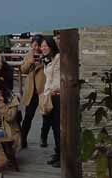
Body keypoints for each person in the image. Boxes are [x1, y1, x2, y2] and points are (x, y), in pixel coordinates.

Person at [19, 35, 49, 149]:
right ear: (31, 44)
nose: (36, 48)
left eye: (39, 45)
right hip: (31, 91)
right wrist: (30, 62)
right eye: (34, 45)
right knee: (28, 116)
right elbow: (23, 70)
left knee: (46, 116)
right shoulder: (29, 55)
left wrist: (43, 60)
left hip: (42, 90)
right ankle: (23, 139)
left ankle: (43, 137)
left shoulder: (47, 55)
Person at [40, 36, 61, 168]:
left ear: (52, 46)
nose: (43, 48)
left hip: (56, 95)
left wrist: (54, 90)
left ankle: (62, 155)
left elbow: (58, 77)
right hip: (49, 96)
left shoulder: (58, 58)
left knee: (58, 127)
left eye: (45, 46)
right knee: (53, 126)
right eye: (41, 46)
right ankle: (58, 152)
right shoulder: (47, 59)